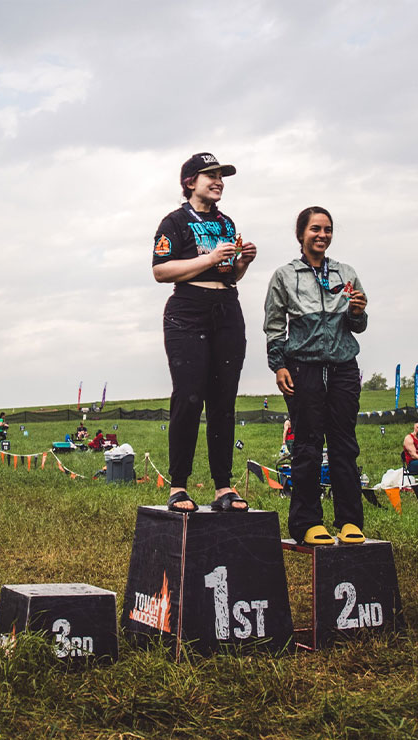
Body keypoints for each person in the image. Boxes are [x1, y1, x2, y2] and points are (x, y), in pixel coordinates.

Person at [152, 152, 257, 513]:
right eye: (210, 175)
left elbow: (228, 274)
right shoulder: (174, 222)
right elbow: (161, 271)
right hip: (187, 312)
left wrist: (240, 262)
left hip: (227, 309)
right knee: (189, 397)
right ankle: (178, 487)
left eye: (221, 176)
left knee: (223, 401)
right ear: (189, 182)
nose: (218, 181)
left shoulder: (227, 222)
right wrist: (210, 258)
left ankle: (223, 488)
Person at [264, 206, 368, 546]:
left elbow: (359, 325)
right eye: (315, 229)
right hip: (302, 367)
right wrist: (278, 365)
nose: (322, 235)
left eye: (327, 229)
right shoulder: (284, 276)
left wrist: (357, 311)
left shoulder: (346, 272)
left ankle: (350, 521)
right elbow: (275, 325)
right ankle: (307, 523)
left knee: (345, 444)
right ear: (301, 235)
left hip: (343, 367)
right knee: (306, 445)